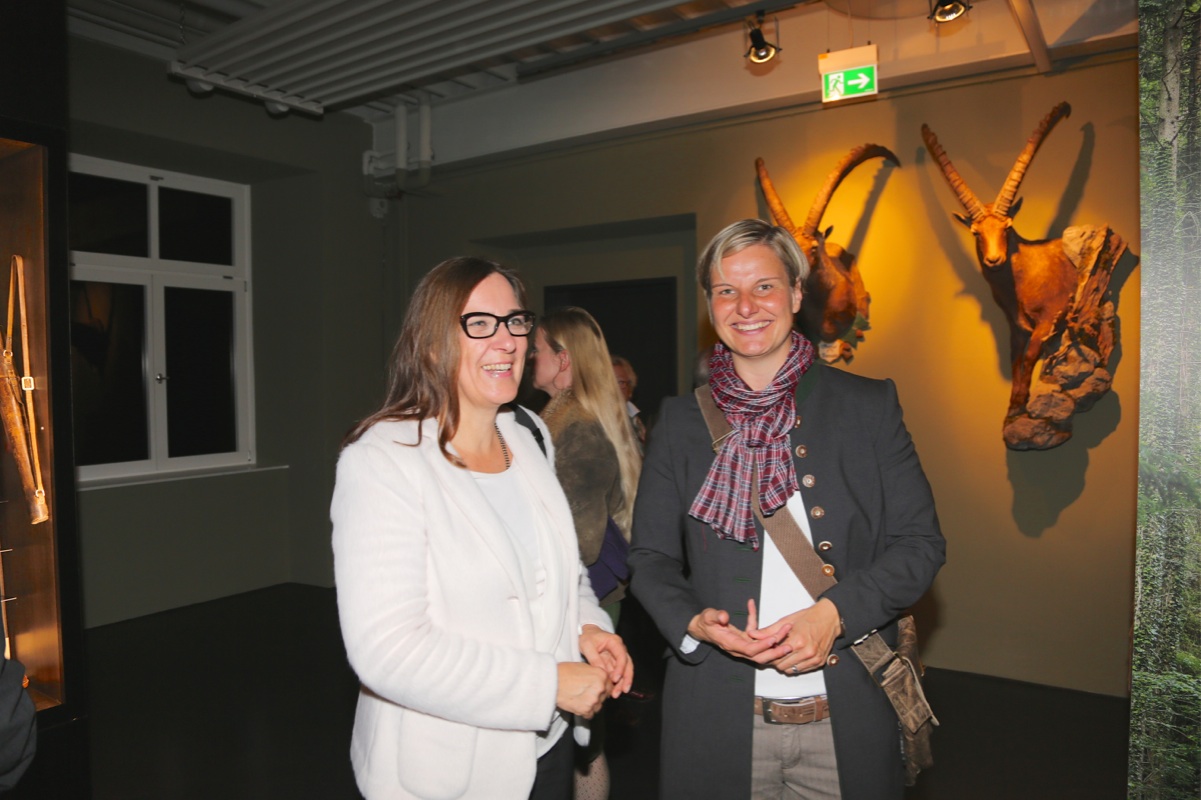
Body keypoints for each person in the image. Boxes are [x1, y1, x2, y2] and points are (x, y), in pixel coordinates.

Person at [628, 219, 945, 800]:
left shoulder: (867, 406)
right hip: (715, 718)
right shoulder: (679, 422)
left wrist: (835, 614)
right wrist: (693, 622)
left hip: (845, 716)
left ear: (797, 294)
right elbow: (650, 558)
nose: (746, 306)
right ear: (710, 305)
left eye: (765, 287)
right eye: (726, 290)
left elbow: (920, 544)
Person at [331, 257, 633, 800]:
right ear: (431, 344)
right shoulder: (383, 461)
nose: (507, 340)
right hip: (448, 771)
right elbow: (388, 651)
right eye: (479, 323)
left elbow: (565, 570)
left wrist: (586, 627)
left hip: (549, 746)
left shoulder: (528, 433)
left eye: (515, 321)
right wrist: (548, 684)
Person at [530, 307, 643, 800]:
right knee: (578, 736)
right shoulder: (557, 420)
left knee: (584, 741)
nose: (526, 356)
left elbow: (582, 542)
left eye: (536, 348)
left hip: (584, 604)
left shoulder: (577, 429)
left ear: (563, 360)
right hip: (574, 600)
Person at [610, 355, 648, 447]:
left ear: (630, 389)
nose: (613, 387)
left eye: (620, 382)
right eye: (608, 381)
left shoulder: (636, 420)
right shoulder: (591, 422)